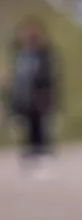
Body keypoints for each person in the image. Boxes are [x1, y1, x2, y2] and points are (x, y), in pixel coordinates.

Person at [11, 18, 58, 177]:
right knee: (29, 128)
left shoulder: (43, 56)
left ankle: (43, 157)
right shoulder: (22, 56)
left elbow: (47, 78)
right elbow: (19, 82)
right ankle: (31, 156)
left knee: (41, 128)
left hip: (39, 97)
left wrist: (45, 97)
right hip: (25, 100)